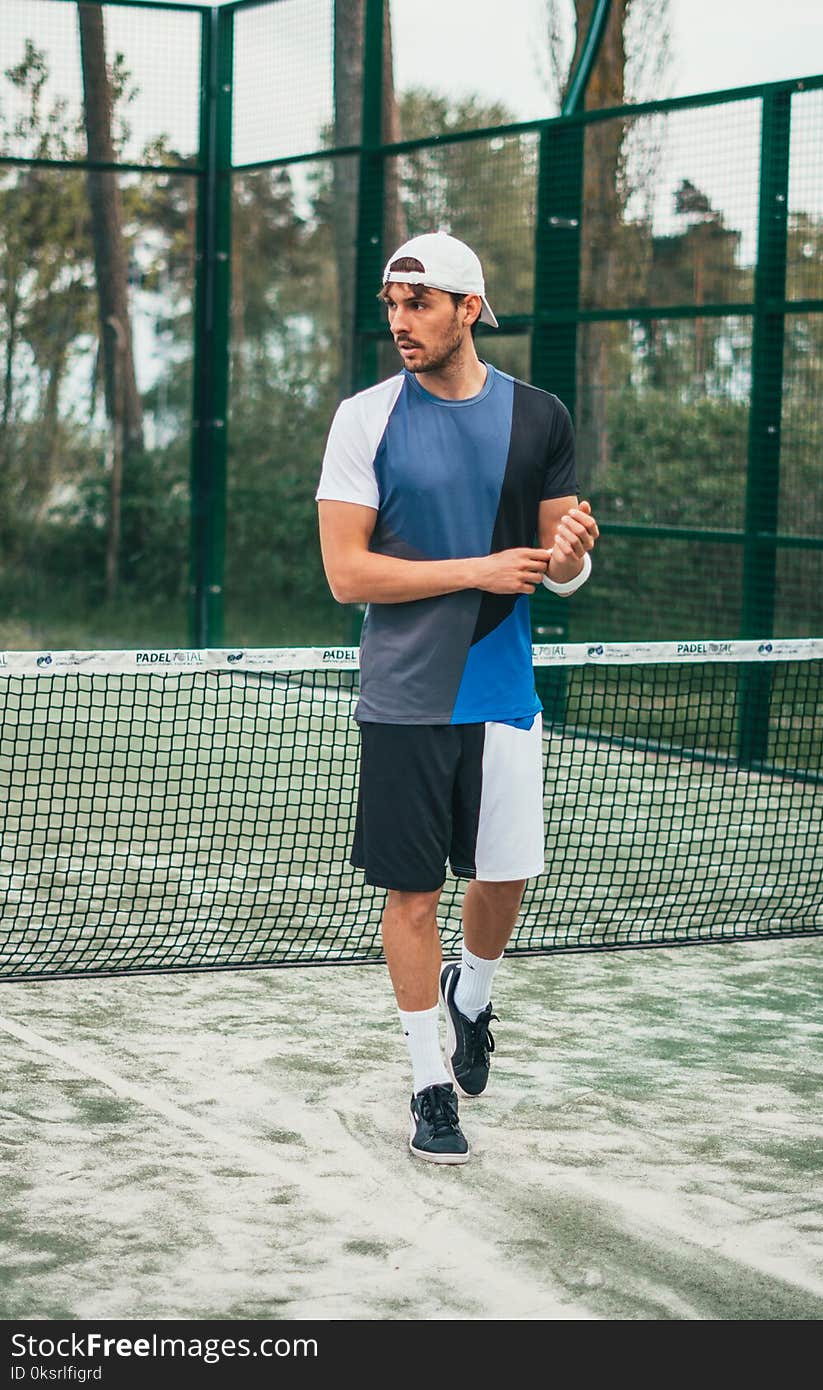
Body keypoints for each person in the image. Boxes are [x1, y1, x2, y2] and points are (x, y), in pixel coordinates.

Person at [316, 231, 598, 1165]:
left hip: (503, 690)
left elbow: (561, 569)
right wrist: (477, 566)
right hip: (404, 698)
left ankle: (470, 995)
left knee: (504, 876)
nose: (400, 322)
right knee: (412, 891)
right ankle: (428, 1084)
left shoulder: (539, 417)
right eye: (392, 305)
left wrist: (570, 559)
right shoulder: (364, 418)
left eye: (420, 304)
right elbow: (347, 575)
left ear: (469, 309)